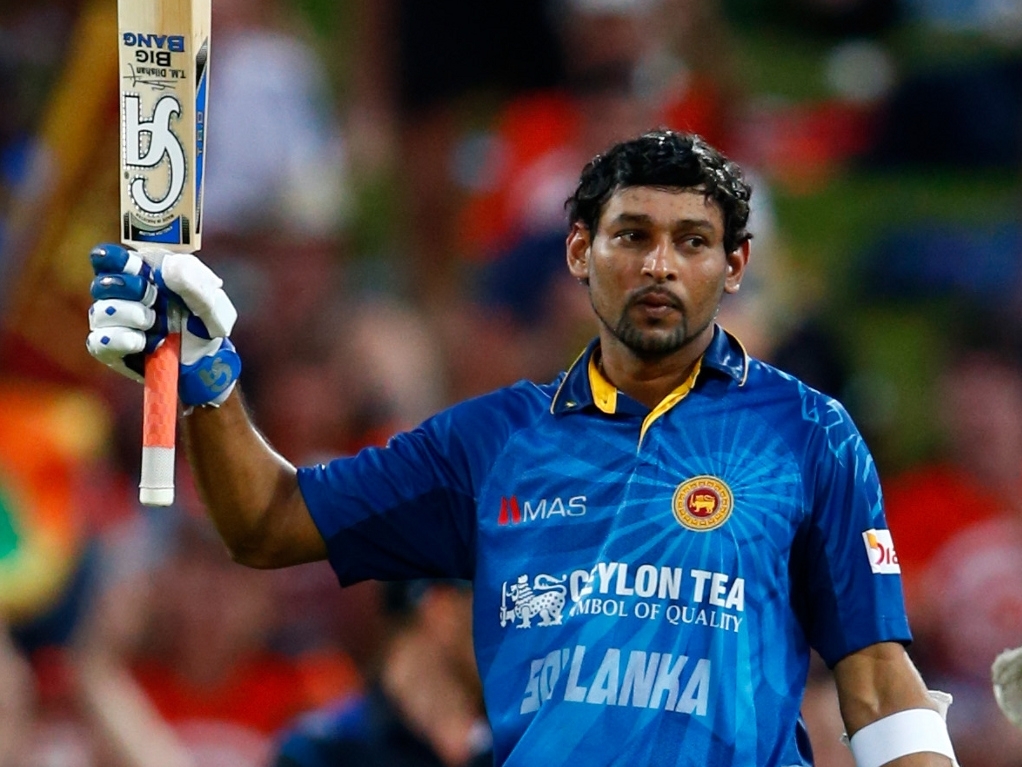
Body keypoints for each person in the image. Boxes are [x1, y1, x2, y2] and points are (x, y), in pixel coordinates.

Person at [85, 130, 957, 766]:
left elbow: (878, 673)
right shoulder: (491, 440)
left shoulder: (808, 433)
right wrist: (208, 377)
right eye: (632, 235)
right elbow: (267, 522)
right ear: (580, 251)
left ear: (734, 266)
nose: (659, 265)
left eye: (692, 241)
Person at [273, 579, 490, 767]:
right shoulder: (321, 751)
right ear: (442, 609)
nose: (504, 623)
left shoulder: (500, 740)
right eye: (493, 600)